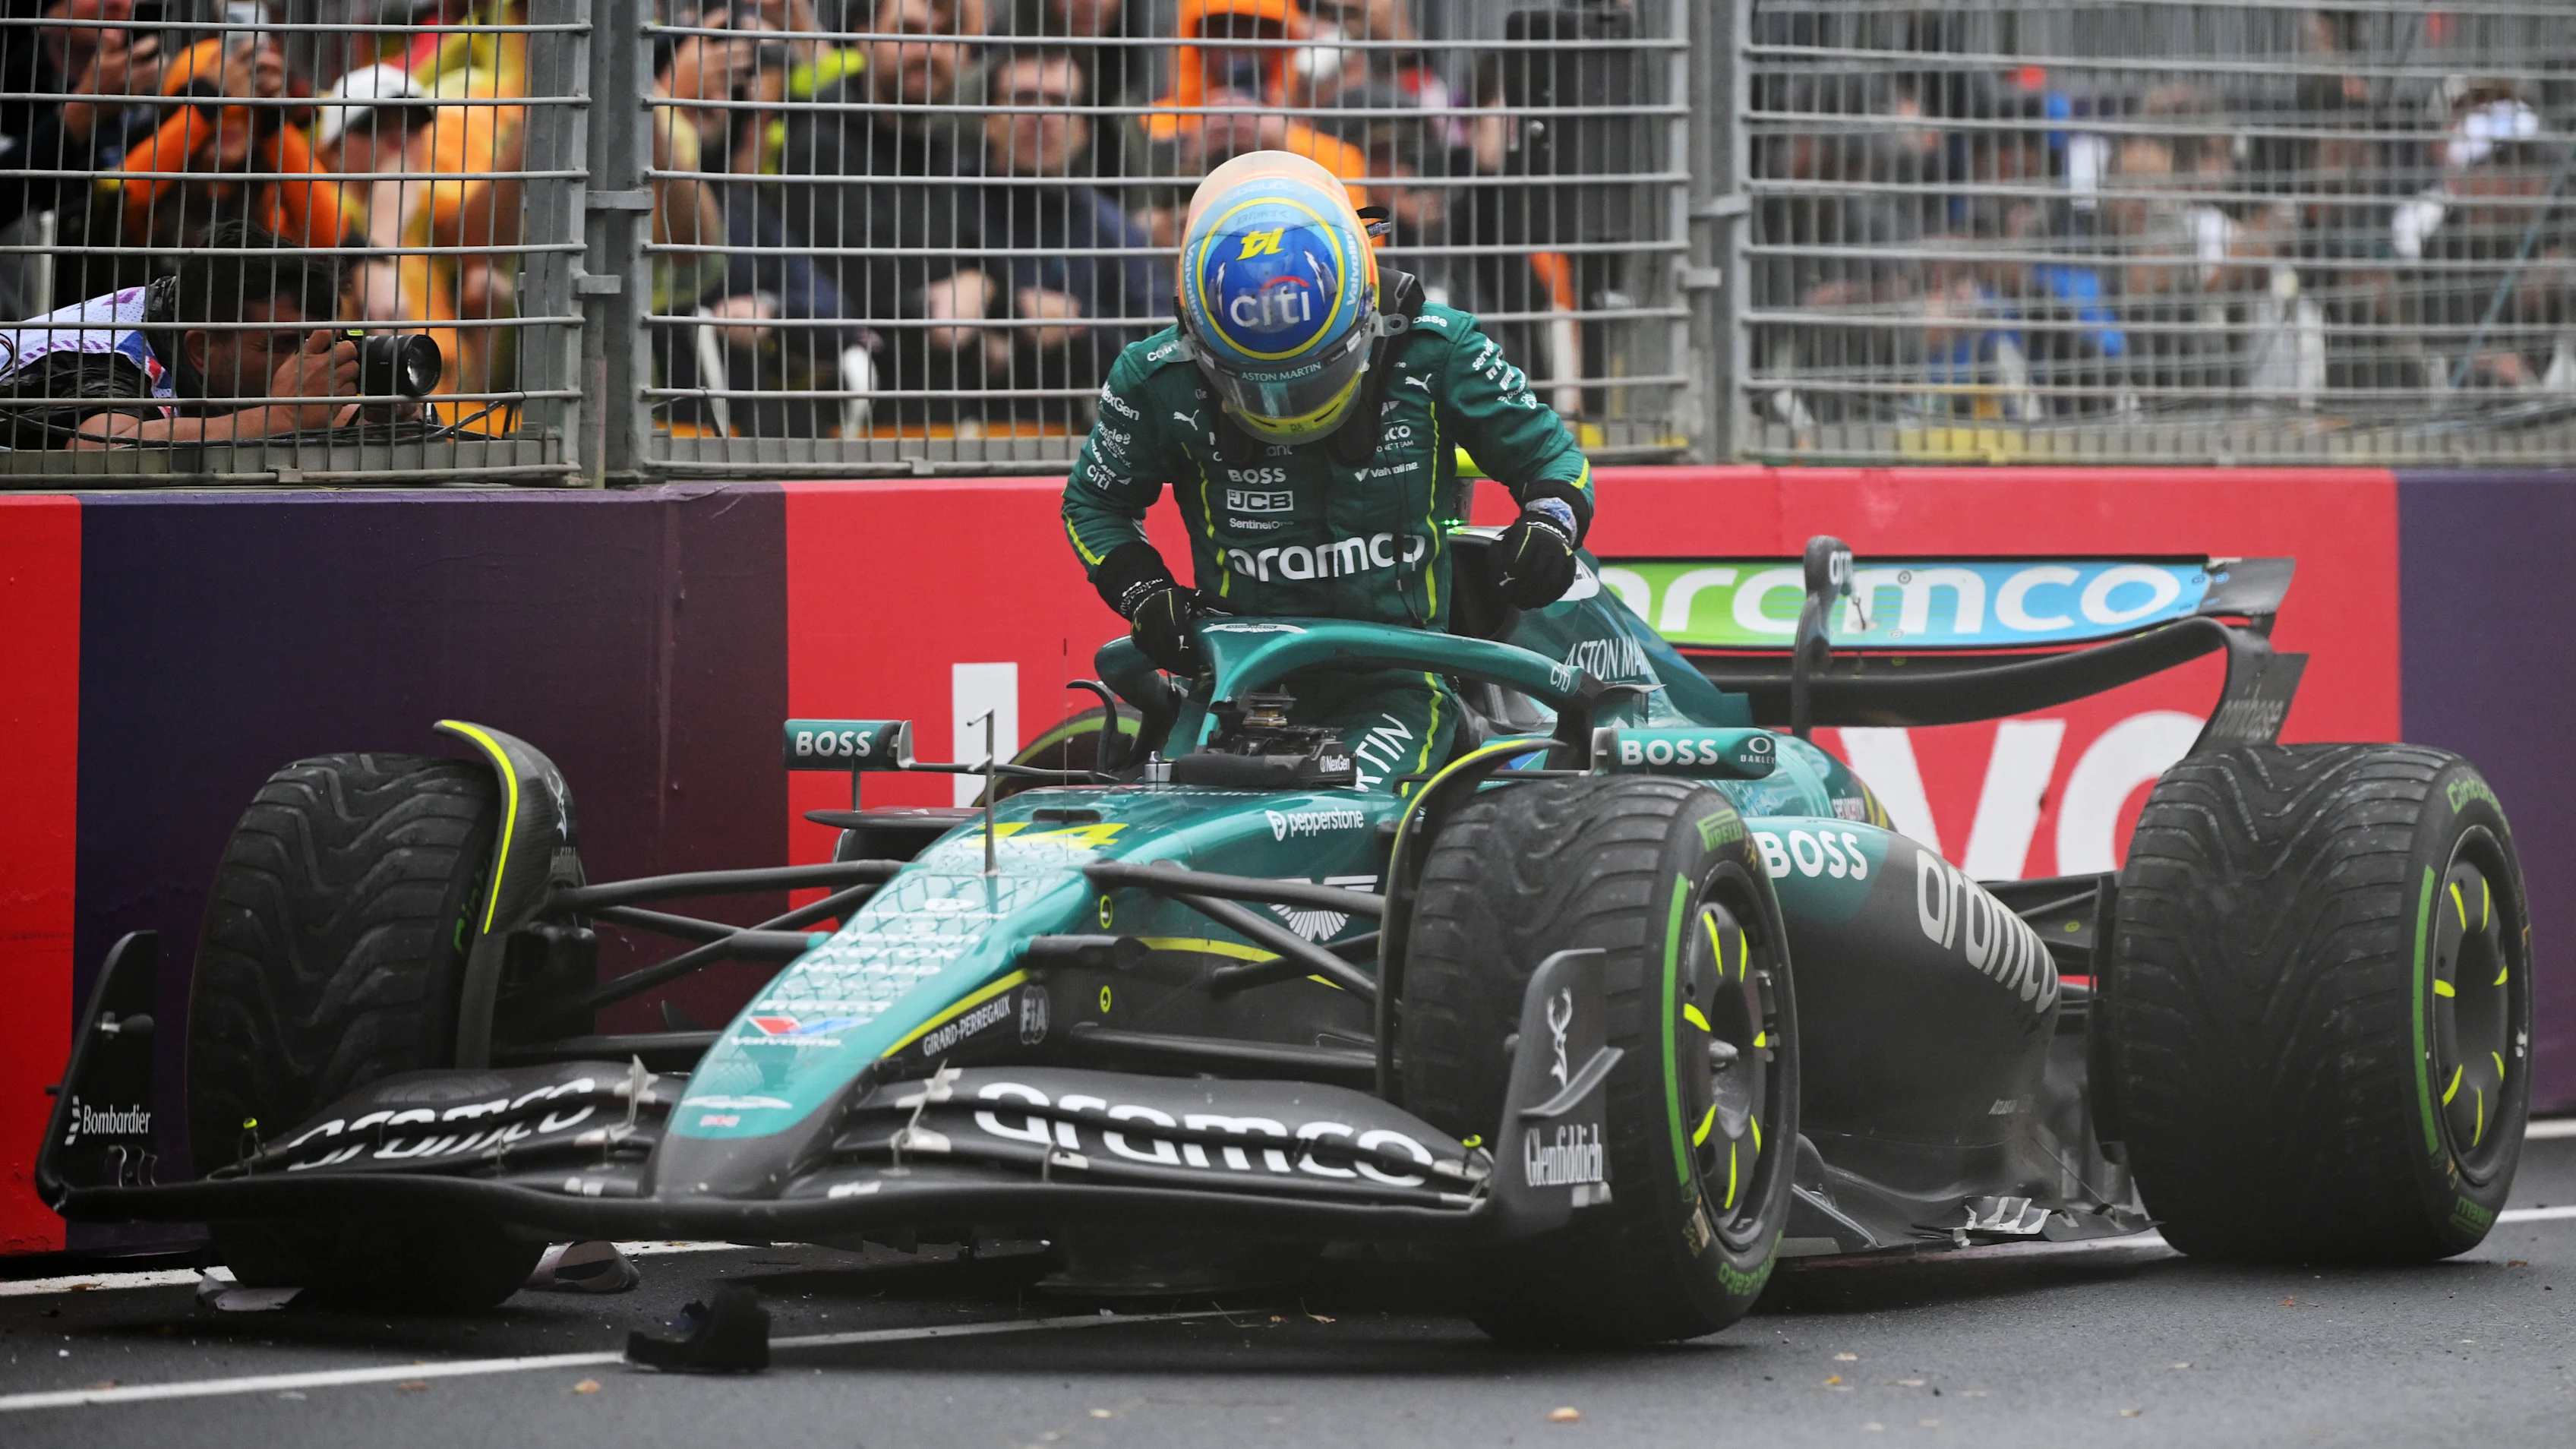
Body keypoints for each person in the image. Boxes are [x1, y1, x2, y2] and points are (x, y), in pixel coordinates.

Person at [1059, 150, 1596, 792]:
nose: (1285, 408)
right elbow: (1094, 504)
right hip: (1233, 673)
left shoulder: (1436, 347)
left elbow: (1551, 459)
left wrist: (1550, 526)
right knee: (1166, 805)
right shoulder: (1155, 377)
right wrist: (1144, 594)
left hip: (1399, 676)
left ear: (1365, 303)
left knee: (1336, 802)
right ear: (1193, 325)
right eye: (1258, 386)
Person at [0, 219, 360, 447]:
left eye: (316, 343)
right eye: (284, 345)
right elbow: (101, 448)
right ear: (201, 349)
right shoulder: (107, 356)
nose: (308, 364)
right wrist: (281, 418)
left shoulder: (194, 308)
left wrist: (372, 419)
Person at [976, 46, 1158, 421]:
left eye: (1060, 101)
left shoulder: (1115, 234)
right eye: (1023, 99)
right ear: (987, 118)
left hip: (1073, 442)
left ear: (1084, 128)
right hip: (943, 432)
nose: (1041, 116)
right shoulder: (942, 205)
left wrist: (1077, 323)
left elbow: (1155, 355)